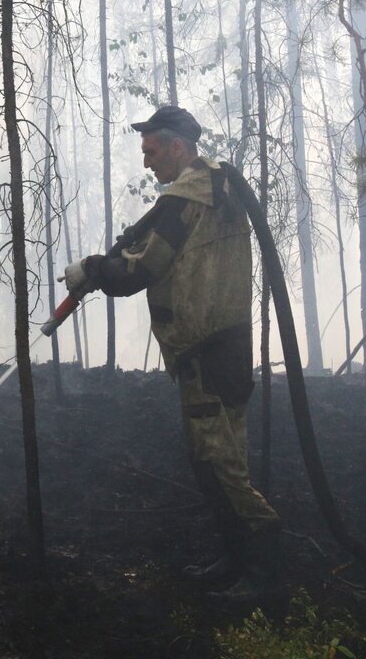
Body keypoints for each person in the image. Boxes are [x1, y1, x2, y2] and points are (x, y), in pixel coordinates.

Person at [62, 105, 281, 595]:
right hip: (224, 344)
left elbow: (141, 272)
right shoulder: (214, 189)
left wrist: (92, 268)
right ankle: (236, 560)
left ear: (177, 147)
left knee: (216, 462)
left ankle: (262, 574)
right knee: (222, 459)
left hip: (204, 349)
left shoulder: (186, 201)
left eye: (152, 150)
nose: (147, 162)